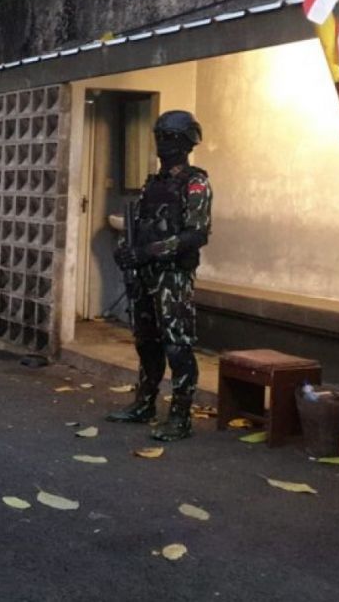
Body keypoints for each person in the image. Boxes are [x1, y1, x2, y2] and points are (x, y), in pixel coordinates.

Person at [106, 110, 212, 442]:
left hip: (172, 277)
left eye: (170, 137)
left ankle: (180, 416)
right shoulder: (153, 184)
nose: (162, 144)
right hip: (144, 275)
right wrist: (124, 250)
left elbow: (196, 234)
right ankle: (144, 403)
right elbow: (137, 224)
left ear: (186, 142)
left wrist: (149, 252)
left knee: (177, 346)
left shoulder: (196, 183)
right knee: (146, 342)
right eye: (160, 136)